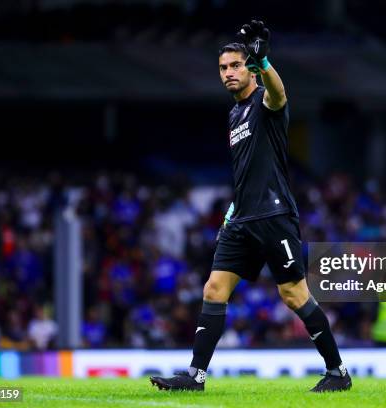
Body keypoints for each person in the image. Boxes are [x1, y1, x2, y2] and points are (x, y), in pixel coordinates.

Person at [150, 20, 351, 393]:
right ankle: (195, 378)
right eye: (224, 68)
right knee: (213, 289)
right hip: (241, 218)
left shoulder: (264, 102)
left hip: (274, 215)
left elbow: (280, 94)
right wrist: (231, 212)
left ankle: (337, 372)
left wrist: (264, 63)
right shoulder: (234, 114)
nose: (228, 73)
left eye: (236, 65)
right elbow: (246, 172)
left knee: (294, 295)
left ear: (250, 69)